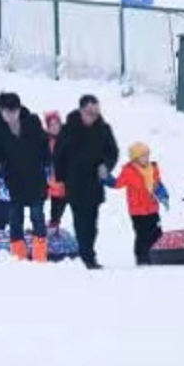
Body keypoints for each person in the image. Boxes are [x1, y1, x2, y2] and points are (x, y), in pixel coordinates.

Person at [0, 92, 52, 260]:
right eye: (7, 112)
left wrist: (49, 165)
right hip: (13, 181)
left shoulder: (33, 122)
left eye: (14, 111)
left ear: (19, 109)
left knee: (37, 216)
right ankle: (18, 254)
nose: (11, 116)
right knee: (15, 217)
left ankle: (40, 254)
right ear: (1, 111)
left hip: (35, 178)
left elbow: (44, 145)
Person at [52, 94, 119, 270]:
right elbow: (58, 155)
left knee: (92, 224)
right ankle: (87, 257)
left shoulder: (104, 129)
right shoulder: (68, 129)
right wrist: (60, 178)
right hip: (74, 184)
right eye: (90, 112)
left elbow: (112, 152)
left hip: (94, 184)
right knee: (80, 222)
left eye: (96, 113)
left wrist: (106, 165)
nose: (93, 116)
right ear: (81, 110)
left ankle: (88, 253)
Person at [106, 142, 169, 266]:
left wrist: (164, 196)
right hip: (137, 211)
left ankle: (158, 256)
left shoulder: (153, 168)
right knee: (142, 235)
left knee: (157, 232)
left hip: (152, 208)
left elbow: (158, 185)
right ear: (135, 158)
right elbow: (117, 183)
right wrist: (105, 177)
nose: (146, 158)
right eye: (143, 156)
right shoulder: (128, 171)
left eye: (147, 155)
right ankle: (142, 259)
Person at [43, 111, 68, 226]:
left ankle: (54, 225)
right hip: (49, 181)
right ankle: (48, 226)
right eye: (51, 125)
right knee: (50, 209)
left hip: (65, 182)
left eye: (55, 124)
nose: (54, 127)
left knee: (59, 209)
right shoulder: (45, 141)